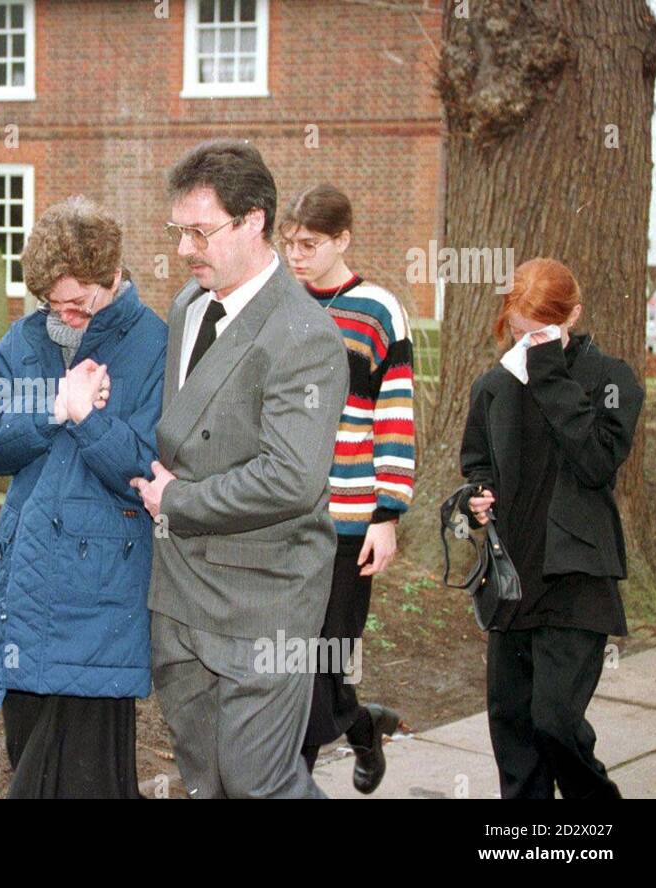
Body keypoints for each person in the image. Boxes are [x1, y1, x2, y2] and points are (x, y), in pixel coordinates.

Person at [131, 140, 347, 799]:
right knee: (205, 780)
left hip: (262, 601)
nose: (185, 250)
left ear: (253, 220)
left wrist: (178, 501)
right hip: (180, 596)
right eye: (179, 232)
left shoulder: (302, 333)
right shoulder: (187, 309)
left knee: (261, 782)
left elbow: (292, 477)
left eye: (200, 231)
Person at [0, 196, 167, 798]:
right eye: (54, 304)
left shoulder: (153, 344)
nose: (67, 317)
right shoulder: (25, 341)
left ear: (114, 278)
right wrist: (53, 408)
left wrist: (89, 421)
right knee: (27, 752)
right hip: (24, 582)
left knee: (84, 778)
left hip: (100, 590)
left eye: (80, 303)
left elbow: (150, 466)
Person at [461, 257, 641, 800]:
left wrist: (548, 374)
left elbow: (596, 461)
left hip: (577, 577)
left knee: (556, 722)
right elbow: (477, 462)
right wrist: (478, 495)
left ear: (574, 316)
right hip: (513, 577)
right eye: (518, 332)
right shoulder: (494, 385)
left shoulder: (612, 380)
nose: (528, 345)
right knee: (514, 735)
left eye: (541, 332)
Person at [279, 184, 414, 792]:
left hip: (349, 519)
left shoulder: (379, 311)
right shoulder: (277, 303)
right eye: (289, 243)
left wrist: (387, 514)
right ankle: (363, 728)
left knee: (326, 655)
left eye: (310, 244)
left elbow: (394, 415)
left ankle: (302, 770)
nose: (296, 255)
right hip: (281, 512)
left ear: (343, 241)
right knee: (295, 660)